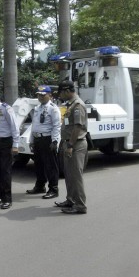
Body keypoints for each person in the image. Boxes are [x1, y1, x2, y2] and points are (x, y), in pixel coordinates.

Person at [54, 80, 88, 214]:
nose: (60, 96)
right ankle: (71, 200)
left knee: (76, 176)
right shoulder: (70, 104)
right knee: (68, 175)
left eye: (61, 93)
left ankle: (80, 205)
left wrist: (70, 145)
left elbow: (77, 127)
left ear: (67, 91)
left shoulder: (78, 105)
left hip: (75, 144)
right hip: (68, 143)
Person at [26, 85, 61, 199]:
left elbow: (56, 126)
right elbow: (34, 125)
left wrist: (55, 141)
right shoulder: (37, 108)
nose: (40, 97)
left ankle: (53, 189)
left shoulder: (53, 108)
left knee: (50, 165)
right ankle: (40, 186)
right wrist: (31, 140)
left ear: (50, 95)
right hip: (37, 139)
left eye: (43, 95)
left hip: (47, 139)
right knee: (39, 165)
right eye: (38, 95)